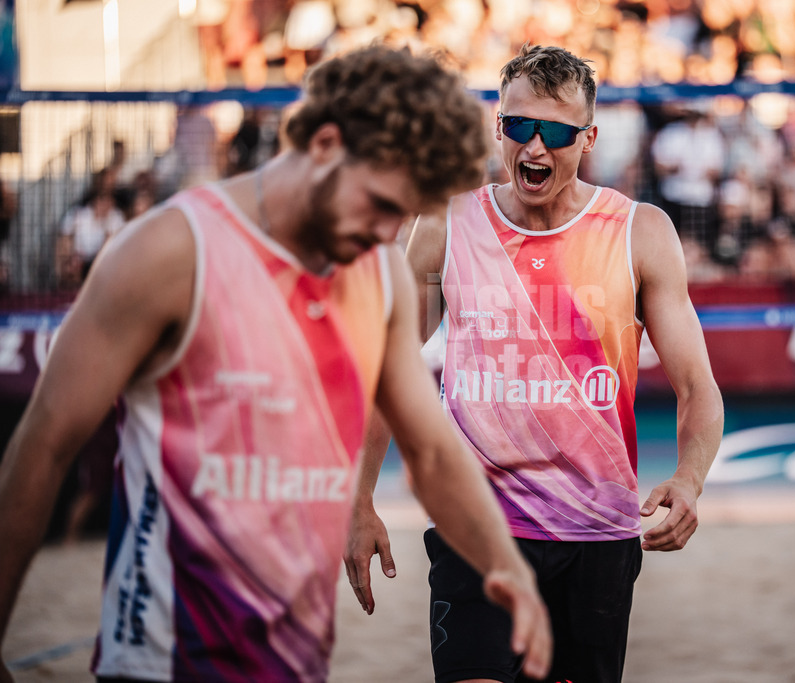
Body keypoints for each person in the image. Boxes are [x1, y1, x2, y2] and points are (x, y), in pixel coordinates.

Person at [0, 45, 551, 683]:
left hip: (295, 656)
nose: (386, 232)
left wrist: (506, 568)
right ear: (325, 144)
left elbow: (430, 451)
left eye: (403, 214)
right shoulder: (170, 253)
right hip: (163, 659)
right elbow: (44, 447)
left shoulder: (377, 274)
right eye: (380, 204)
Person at [345, 44, 724, 683]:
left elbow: (697, 387)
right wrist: (358, 501)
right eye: (520, 126)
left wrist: (689, 480)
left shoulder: (639, 232)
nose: (535, 146)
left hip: (596, 534)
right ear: (499, 126)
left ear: (589, 138)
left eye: (556, 132)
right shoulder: (447, 224)